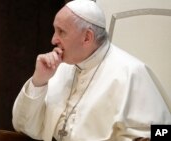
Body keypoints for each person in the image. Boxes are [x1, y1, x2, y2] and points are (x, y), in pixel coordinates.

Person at [12, 0, 171, 141]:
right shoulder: (60, 68)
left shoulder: (131, 73)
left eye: (61, 32)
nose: (53, 39)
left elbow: (163, 133)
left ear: (87, 37)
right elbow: (23, 126)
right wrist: (39, 81)